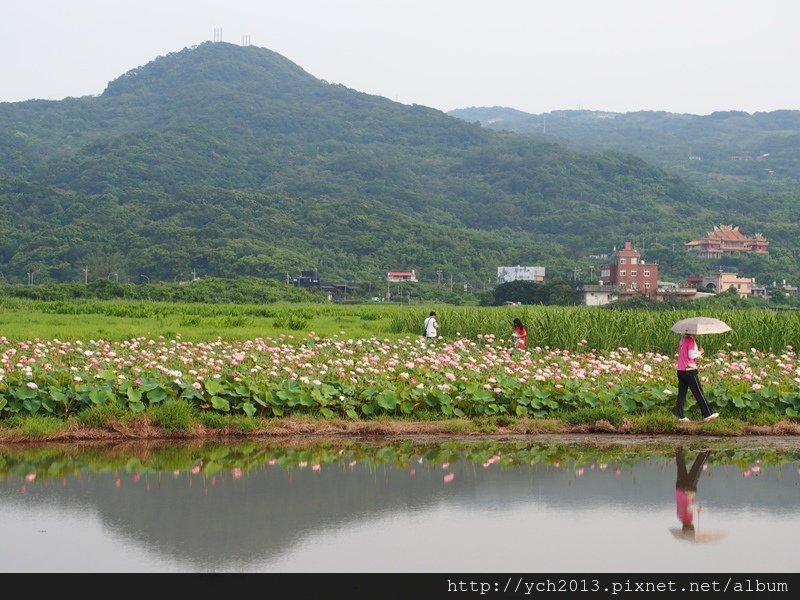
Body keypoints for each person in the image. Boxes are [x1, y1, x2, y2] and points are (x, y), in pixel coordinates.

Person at [673, 333, 719, 422]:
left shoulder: (682, 340)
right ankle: (707, 414)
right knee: (699, 392)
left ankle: (680, 416)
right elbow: (691, 355)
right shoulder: (690, 340)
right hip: (690, 369)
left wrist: (697, 353)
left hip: (681, 370)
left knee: (682, 394)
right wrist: (700, 352)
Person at [674, 446, 710, 537]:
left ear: (691, 527)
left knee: (697, 469)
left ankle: (705, 451)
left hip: (688, 490)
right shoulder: (680, 517)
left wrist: (698, 507)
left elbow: (689, 507)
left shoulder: (688, 519)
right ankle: (678, 449)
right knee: (680, 466)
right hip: (679, 488)